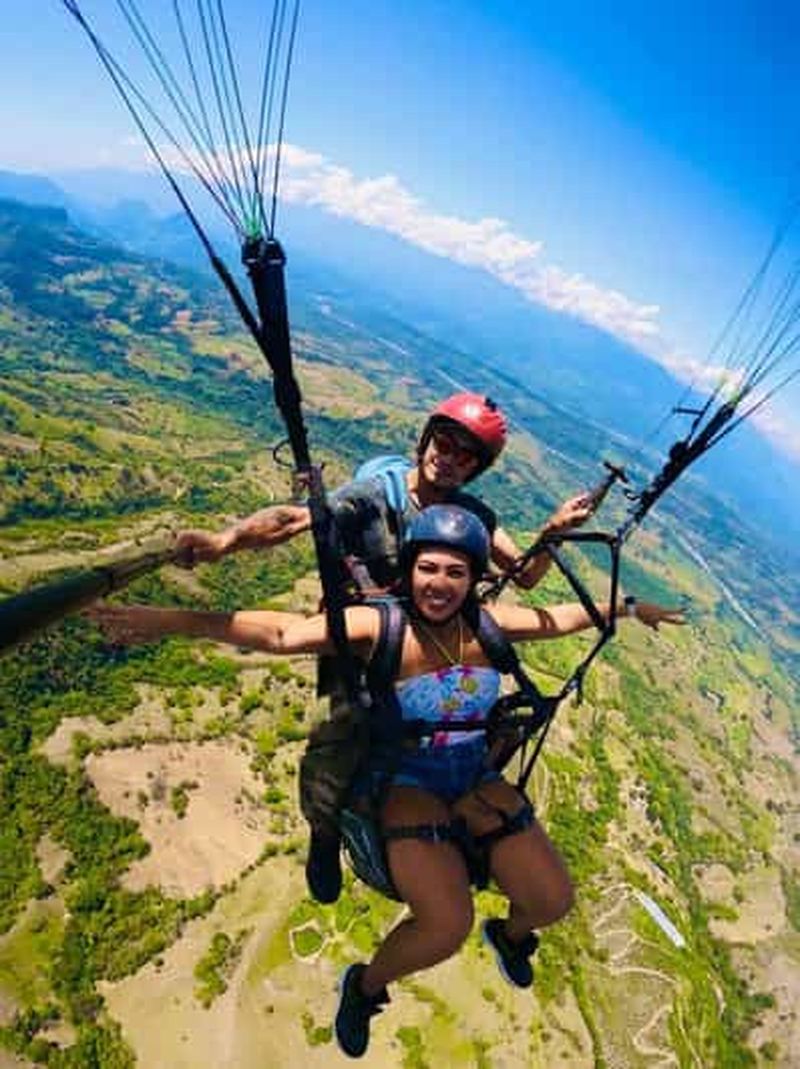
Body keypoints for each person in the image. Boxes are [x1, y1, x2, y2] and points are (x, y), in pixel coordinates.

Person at [88, 505, 684, 1059]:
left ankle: (510, 935)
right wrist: (172, 621)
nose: (439, 583)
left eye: (456, 572)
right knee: (445, 926)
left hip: (473, 772)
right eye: (428, 568)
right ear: (410, 569)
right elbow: (283, 634)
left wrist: (628, 607)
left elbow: (560, 620)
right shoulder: (381, 624)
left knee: (552, 902)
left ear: (473, 579)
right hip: (404, 779)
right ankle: (366, 986)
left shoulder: (487, 626)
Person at [175, 393, 597, 904]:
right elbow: (295, 520)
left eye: (466, 455)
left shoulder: (473, 516)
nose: (449, 458)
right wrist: (223, 542)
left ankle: (438, 825)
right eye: (444, 443)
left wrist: (552, 533)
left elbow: (524, 574)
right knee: (337, 743)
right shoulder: (376, 495)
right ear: (426, 440)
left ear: (476, 468)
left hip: (428, 645)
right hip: (363, 642)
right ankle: (324, 832)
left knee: (464, 728)